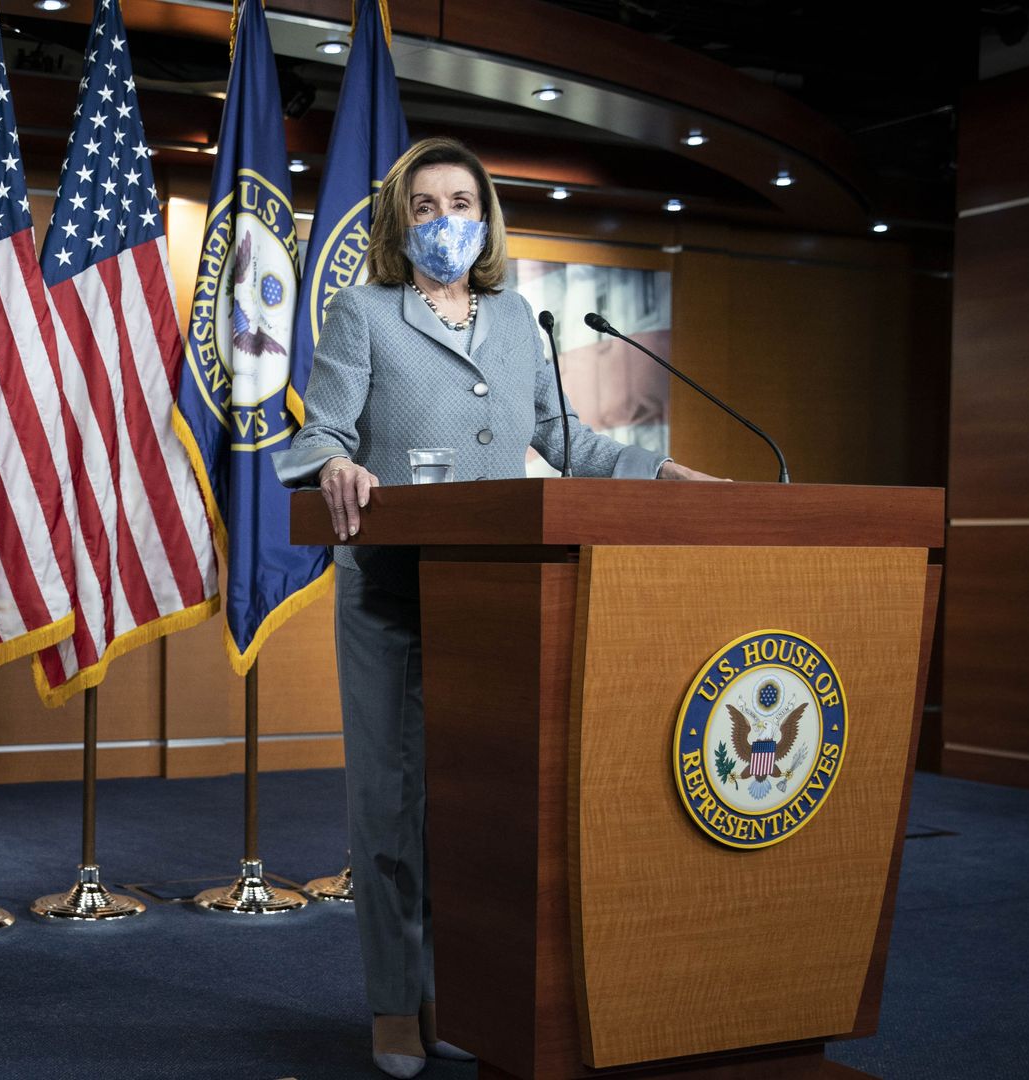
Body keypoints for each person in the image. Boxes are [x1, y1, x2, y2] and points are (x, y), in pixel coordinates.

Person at [273, 136, 722, 1078]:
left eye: (460, 204)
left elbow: (561, 437)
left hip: (502, 596)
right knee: (394, 807)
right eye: (426, 207)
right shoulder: (365, 312)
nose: (445, 223)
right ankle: (398, 1001)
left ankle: (473, 991)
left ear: (487, 217)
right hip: (398, 591)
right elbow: (318, 432)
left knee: (488, 811)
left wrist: (656, 470)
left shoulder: (519, 318)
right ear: (402, 222)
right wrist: (337, 462)